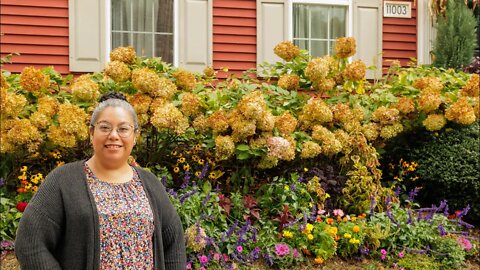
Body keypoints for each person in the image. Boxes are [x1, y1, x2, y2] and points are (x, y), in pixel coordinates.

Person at [15, 92, 186, 269]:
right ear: (91, 132)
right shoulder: (63, 181)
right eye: (104, 127)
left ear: (135, 136)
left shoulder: (150, 183)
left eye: (123, 129)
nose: (113, 135)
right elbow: (30, 243)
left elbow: (174, 245)